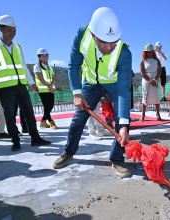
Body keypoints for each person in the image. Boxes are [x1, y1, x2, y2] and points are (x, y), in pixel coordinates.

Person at [52, 7, 133, 178]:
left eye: (113, 42)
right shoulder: (82, 35)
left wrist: (124, 125)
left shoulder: (124, 52)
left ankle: (117, 159)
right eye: (104, 42)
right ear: (94, 34)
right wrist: (77, 93)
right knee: (79, 118)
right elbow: (73, 65)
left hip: (114, 84)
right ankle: (68, 152)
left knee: (122, 120)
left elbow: (125, 91)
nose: (109, 47)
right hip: (90, 82)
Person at [0, 15, 51, 151]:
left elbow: (24, 66)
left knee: (29, 112)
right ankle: (15, 141)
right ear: (1, 28)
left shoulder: (18, 47)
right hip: (5, 87)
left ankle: (35, 138)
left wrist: (32, 83)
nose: (13, 33)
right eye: (10, 30)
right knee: (9, 115)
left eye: (14, 31)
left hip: (21, 85)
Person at [33, 48, 58, 129]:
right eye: (42, 56)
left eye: (46, 56)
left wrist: (52, 86)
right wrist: (49, 86)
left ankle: (43, 121)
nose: (45, 58)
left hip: (50, 89)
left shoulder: (50, 67)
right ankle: (51, 121)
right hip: (42, 89)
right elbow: (40, 78)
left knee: (51, 105)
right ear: (39, 57)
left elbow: (54, 78)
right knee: (46, 106)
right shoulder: (37, 66)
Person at [140, 44, 162, 121]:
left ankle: (158, 114)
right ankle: (143, 114)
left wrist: (155, 79)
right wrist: (149, 80)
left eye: (151, 52)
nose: (149, 53)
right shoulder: (142, 61)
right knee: (145, 97)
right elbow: (142, 73)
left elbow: (160, 71)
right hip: (146, 81)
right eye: (147, 52)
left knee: (156, 97)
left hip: (155, 80)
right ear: (145, 53)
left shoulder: (157, 61)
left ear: (153, 52)